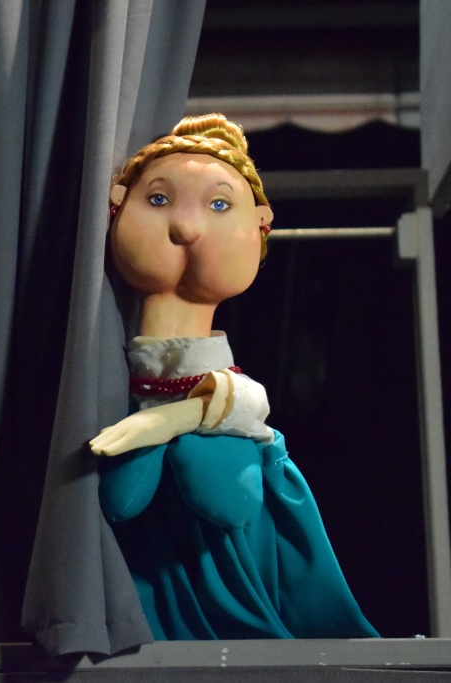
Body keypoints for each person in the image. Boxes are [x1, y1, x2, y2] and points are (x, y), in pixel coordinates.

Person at [90, 114, 377, 639]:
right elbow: (122, 500)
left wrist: (176, 418)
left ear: (261, 225)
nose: (186, 227)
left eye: (219, 205)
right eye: (158, 200)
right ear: (116, 206)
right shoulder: (95, 385)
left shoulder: (246, 420)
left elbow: (225, 498)